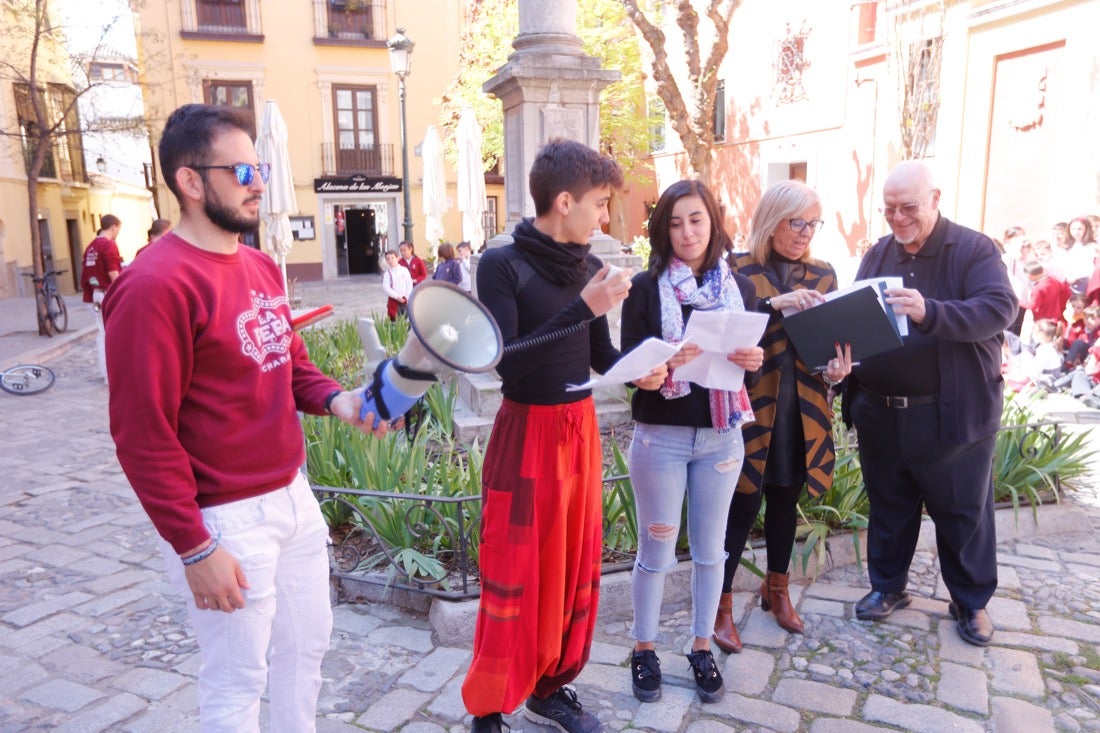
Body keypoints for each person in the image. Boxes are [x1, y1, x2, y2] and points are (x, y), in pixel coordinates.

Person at [102, 104, 392, 731]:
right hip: (224, 519)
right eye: (242, 169)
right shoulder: (153, 285)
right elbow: (140, 434)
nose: (258, 181)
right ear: (190, 181)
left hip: (292, 497)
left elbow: (287, 363)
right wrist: (193, 546)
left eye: (260, 166)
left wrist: (341, 401)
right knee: (237, 685)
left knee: (305, 654)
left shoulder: (261, 266)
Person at [461, 138, 662, 733]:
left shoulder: (590, 268)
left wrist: (642, 368)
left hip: (578, 432)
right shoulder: (502, 264)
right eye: (599, 204)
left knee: (572, 566)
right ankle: (491, 702)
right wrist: (583, 306)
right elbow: (507, 364)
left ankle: (550, 687)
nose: (604, 217)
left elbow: (599, 357)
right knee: (514, 567)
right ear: (565, 200)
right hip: (525, 431)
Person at [842, 161, 1017, 647]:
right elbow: (857, 317)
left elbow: (1000, 308)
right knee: (888, 506)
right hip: (880, 410)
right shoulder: (878, 252)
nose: (898, 219)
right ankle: (888, 588)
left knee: (963, 512)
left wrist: (930, 310)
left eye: (909, 208)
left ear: (935, 199)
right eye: (890, 209)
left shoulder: (973, 249)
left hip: (949, 414)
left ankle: (970, 600)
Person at [620, 180, 763, 704]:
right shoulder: (643, 287)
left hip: (722, 439)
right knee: (656, 550)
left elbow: (743, 364)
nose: (687, 232)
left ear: (713, 223)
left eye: (696, 220)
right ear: (663, 228)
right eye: (676, 222)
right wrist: (657, 369)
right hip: (662, 437)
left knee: (711, 551)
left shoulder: (739, 288)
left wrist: (753, 361)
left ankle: (701, 647)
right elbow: (630, 370)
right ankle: (643, 649)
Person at [714, 180, 852, 651]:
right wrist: (778, 304)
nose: (805, 233)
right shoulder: (737, 270)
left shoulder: (824, 274)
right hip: (750, 409)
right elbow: (727, 328)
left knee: (784, 504)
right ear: (772, 220)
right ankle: (721, 603)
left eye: (813, 224)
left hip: (803, 411)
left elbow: (831, 348)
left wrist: (838, 371)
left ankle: (777, 590)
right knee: (739, 507)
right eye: (797, 223)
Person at [80, 214, 122, 383]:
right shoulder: (109, 246)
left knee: (102, 334)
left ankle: (106, 374)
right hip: (108, 294)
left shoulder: (91, 247)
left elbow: (85, 275)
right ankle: (113, 374)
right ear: (113, 227)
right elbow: (113, 273)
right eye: (118, 229)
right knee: (112, 334)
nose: (118, 232)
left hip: (96, 294)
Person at [382, 248, 414, 320]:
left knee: (406, 320)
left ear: (397, 258)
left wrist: (406, 296)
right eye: (388, 259)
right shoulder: (387, 273)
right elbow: (386, 288)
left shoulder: (404, 270)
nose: (390, 260)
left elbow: (409, 283)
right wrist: (397, 297)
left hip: (405, 300)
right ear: (386, 261)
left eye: (392, 258)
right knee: (394, 320)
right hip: (394, 301)